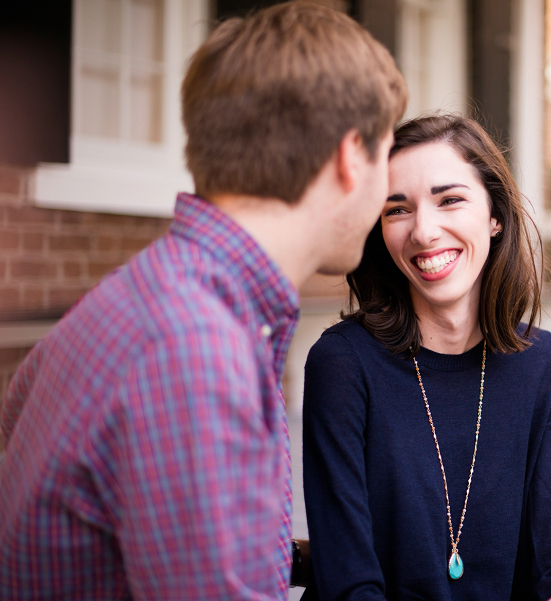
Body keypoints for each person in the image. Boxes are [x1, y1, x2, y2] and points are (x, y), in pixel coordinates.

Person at [0, 3, 406, 599]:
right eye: (387, 156)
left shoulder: (148, 293)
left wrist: (326, 558)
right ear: (351, 157)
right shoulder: (195, 347)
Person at [302, 114, 551, 601]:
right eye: (397, 209)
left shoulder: (543, 365)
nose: (424, 231)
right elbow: (350, 586)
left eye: (450, 200)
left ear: (494, 215)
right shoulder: (342, 364)